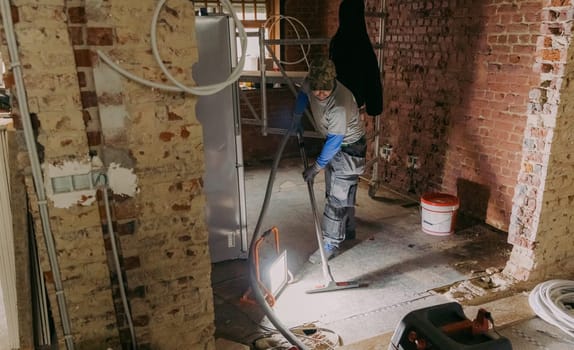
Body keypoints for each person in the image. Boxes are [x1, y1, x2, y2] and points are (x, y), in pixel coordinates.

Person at [293, 57, 366, 264]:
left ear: (333, 82)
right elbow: (303, 93)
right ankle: (349, 228)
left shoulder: (339, 105)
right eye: (317, 90)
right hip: (335, 142)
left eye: (325, 90)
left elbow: (334, 143)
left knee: (337, 198)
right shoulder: (312, 82)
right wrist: (297, 116)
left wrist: (315, 168)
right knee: (336, 191)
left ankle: (330, 244)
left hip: (350, 148)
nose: (320, 94)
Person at [329, 0, 383, 117]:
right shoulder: (361, 43)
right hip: (353, 99)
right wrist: (374, 107)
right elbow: (371, 75)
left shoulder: (337, 41)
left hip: (337, 97)